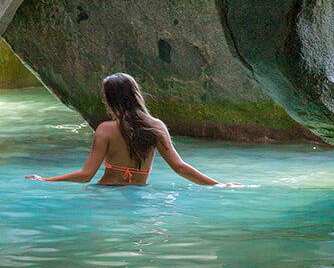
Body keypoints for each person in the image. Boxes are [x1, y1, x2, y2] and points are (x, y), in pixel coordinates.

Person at [26, 73, 239, 186]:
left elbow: (86, 175)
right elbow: (180, 167)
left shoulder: (105, 130)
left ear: (108, 100)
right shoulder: (155, 126)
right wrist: (219, 185)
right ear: (137, 95)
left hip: (106, 196)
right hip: (139, 196)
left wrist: (45, 180)